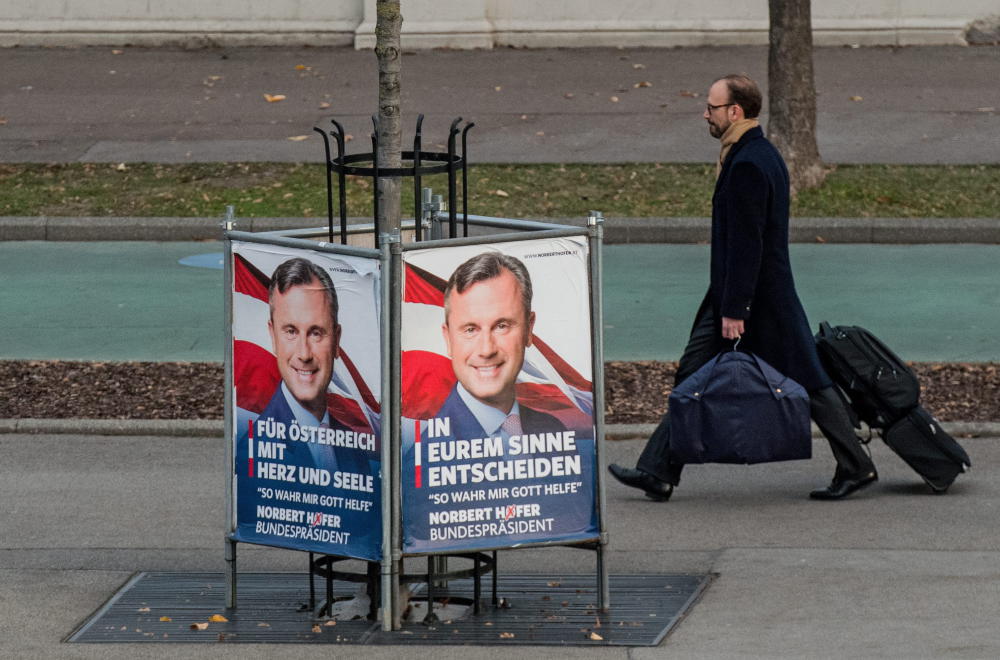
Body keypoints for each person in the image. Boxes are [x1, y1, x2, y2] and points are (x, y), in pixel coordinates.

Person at [608, 73, 877, 502]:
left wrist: (735, 308)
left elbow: (748, 243)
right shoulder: (755, 153)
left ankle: (857, 466)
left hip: (752, 298)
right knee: (697, 373)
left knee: (808, 379)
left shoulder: (750, 163)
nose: (705, 114)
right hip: (743, 293)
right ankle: (657, 470)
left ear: (735, 111)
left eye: (711, 107)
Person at [435, 251, 566, 439]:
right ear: (448, 339)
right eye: (470, 330)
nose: (487, 349)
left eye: (501, 326)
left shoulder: (553, 430)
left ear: (529, 329)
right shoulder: (425, 458)